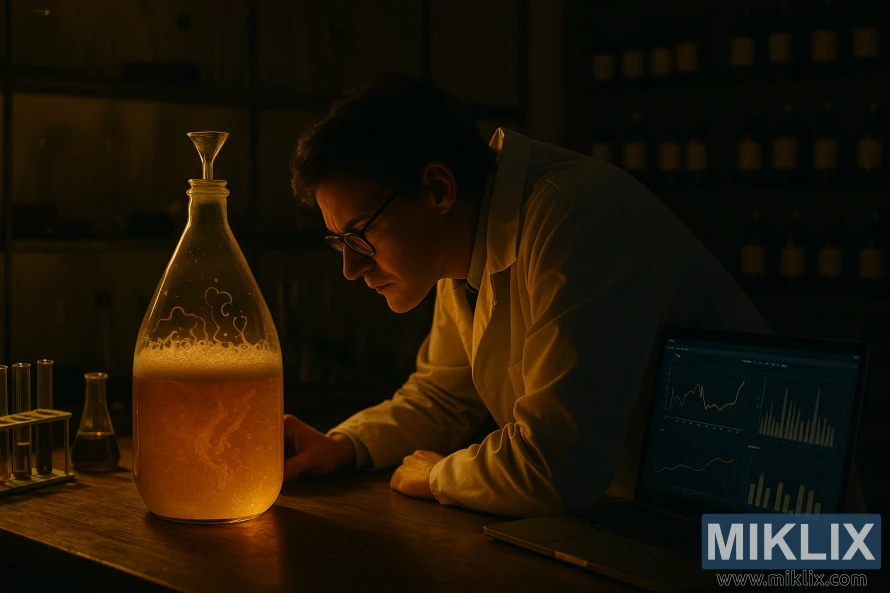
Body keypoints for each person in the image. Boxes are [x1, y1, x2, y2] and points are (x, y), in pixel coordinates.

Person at [282, 73, 772, 518]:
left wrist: (438, 476)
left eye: (360, 234)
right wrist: (343, 445)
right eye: (340, 243)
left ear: (437, 190)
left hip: (763, 529)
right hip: (646, 520)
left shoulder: (577, 222)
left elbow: (555, 465)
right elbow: (443, 396)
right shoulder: (464, 243)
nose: (351, 268)